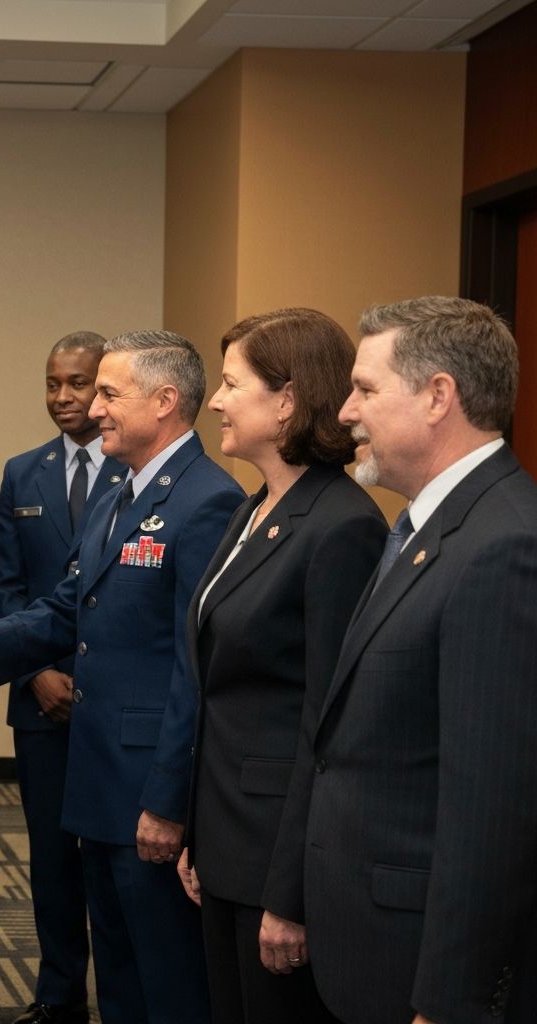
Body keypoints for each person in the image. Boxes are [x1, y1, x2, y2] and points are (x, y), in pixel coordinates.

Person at [0, 330, 245, 1024]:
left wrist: (168, 803)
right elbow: (62, 612)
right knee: (117, 974)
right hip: (98, 779)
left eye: (110, 393)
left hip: (148, 794)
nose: (93, 408)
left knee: (167, 978)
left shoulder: (208, 502)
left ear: (165, 401)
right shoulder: (117, 498)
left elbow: (196, 671)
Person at [304, 296, 537, 1024]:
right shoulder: (423, 524)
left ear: (439, 396)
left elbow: (492, 805)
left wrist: (451, 998)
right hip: (371, 937)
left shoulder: (503, 546)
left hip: (420, 971)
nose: (345, 412)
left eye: (366, 389)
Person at [175, 308, 387, 1024]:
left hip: (278, 864)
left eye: (232, 383)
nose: (216, 400)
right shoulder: (257, 505)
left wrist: (290, 895)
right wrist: (199, 834)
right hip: (228, 841)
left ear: (288, 399)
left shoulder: (342, 524)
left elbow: (327, 726)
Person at [0, 331, 126, 1024]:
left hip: (112, 703)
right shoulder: (23, 471)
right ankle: (58, 992)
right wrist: (37, 671)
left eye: (78, 384)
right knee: (49, 855)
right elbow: (6, 587)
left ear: (104, 389)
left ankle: (126, 992)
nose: (63, 397)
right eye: (53, 384)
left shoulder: (136, 471)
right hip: (41, 700)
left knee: (114, 856)